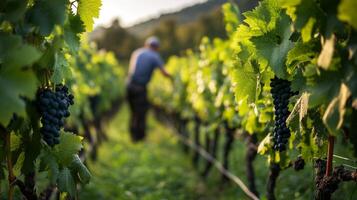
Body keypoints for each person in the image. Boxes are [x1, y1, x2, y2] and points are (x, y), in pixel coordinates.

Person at [126, 36, 171, 142]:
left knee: (133, 112)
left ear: (146, 45)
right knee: (141, 112)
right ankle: (140, 137)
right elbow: (164, 73)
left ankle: (133, 136)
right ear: (157, 48)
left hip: (129, 86)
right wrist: (173, 77)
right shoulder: (155, 56)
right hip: (140, 88)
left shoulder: (137, 52)